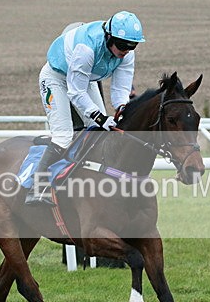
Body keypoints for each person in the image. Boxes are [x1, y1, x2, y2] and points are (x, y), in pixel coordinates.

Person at [26, 10, 145, 205]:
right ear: (109, 37)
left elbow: (120, 89)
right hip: (56, 78)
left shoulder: (127, 55)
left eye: (132, 46)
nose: (126, 51)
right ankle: (36, 189)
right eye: (123, 45)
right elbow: (75, 92)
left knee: (99, 132)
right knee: (63, 136)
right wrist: (100, 118)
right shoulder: (87, 49)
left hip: (85, 77)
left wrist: (122, 109)